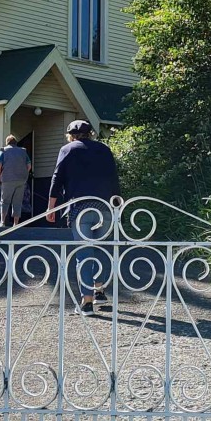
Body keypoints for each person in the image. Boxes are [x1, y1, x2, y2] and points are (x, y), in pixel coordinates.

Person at [45, 120, 121, 313]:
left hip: (80, 208)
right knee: (102, 249)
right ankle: (100, 291)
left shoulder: (68, 150)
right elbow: (113, 178)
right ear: (91, 134)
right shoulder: (104, 150)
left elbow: (57, 178)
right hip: (104, 208)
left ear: (71, 135)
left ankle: (87, 302)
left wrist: (51, 207)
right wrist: (117, 205)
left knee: (84, 253)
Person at [0, 135, 32, 227]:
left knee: (5, 201)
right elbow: (29, 166)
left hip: (7, 179)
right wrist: (24, 174)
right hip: (21, 180)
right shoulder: (23, 151)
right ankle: (16, 223)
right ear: (15, 143)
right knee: (17, 202)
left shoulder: (3, 150)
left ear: (7, 142)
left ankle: (2, 222)